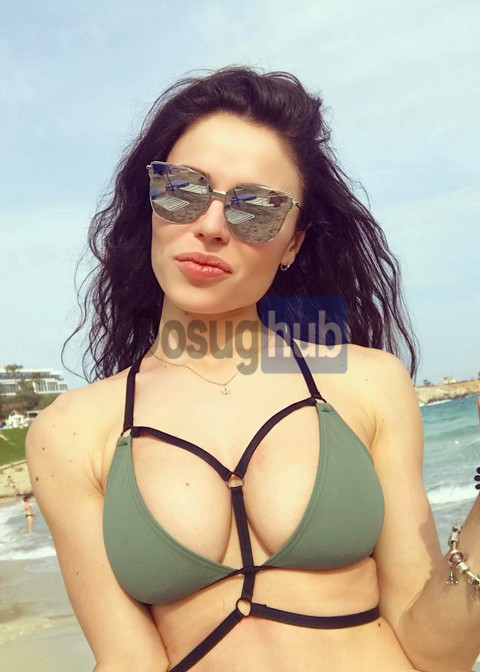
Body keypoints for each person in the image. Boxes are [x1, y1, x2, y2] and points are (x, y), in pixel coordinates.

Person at [25, 66, 480, 672]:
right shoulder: (72, 431)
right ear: (150, 202)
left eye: (257, 208)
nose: (211, 227)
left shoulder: (368, 383)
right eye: (182, 189)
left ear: (292, 242)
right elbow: (128, 660)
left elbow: (437, 653)